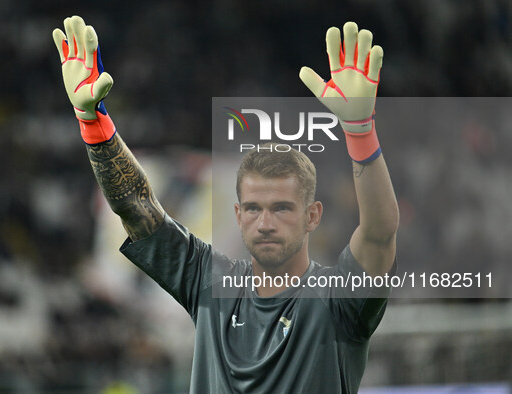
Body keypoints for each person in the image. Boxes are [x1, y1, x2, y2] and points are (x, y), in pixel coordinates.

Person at [53, 15, 399, 393]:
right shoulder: (208, 280)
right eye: (253, 208)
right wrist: (92, 122)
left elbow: (380, 233)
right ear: (237, 214)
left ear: (312, 216)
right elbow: (136, 206)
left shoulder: (338, 301)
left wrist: (360, 132)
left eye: (282, 207)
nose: (265, 222)